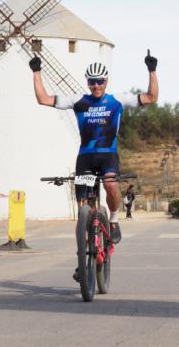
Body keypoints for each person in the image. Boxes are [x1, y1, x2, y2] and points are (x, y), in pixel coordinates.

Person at [29, 50, 158, 250]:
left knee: (111, 186)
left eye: (99, 81)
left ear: (106, 81)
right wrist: (36, 72)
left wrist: (152, 70)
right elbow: (43, 99)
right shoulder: (78, 101)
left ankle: (114, 220)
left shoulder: (117, 100)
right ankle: (83, 252)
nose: (96, 86)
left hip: (108, 155)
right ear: (88, 82)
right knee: (82, 207)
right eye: (92, 82)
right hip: (85, 158)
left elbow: (151, 97)